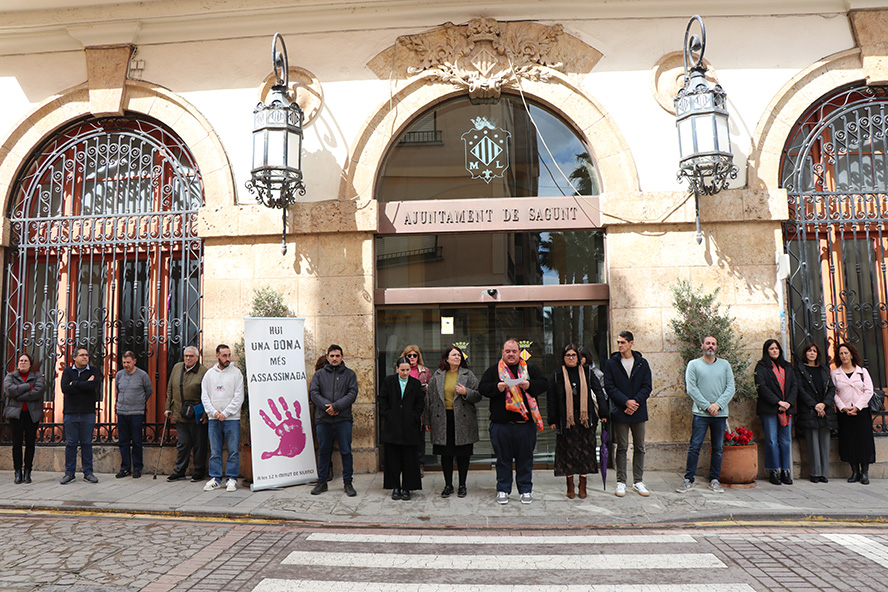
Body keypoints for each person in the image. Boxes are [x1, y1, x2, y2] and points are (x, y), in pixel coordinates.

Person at [479, 338, 547, 505]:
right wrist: (497, 387)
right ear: (502, 352)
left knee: (525, 460)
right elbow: (482, 388)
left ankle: (525, 490)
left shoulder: (529, 368)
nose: (511, 354)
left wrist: (529, 385)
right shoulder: (494, 370)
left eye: (514, 351)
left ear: (519, 353)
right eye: (508, 351)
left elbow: (544, 384)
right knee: (503, 460)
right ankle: (503, 489)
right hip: (501, 426)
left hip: (525, 426)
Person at [547, 344, 609, 499]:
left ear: (578, 358)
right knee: (567, 452)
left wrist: (603, 412)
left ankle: (583, 483)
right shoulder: (557, 375)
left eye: (573, 355)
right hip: (566, 420)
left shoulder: (588, 373)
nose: (571, 358)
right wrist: (552, 419)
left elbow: (599, 392)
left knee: (585, 452)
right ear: (563, 358)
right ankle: (570, 484)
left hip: (585, 420)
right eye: (568, 355)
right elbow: (551, 399)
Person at [676, 335, 735, 494]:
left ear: (717, 347)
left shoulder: (725, 365)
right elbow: (691, 388)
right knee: (694, 447)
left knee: (717, 448)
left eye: (713, 344)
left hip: (719, 414)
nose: (710, 346)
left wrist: (717, 405)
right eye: (708, 343)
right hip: (701, 414)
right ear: (702, 345)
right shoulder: (693, 365)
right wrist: (707, 406)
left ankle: (714, 480)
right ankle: (688, 479)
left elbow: (730, 388)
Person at [426, 345, 480, 498]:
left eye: (459, 355)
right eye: (454, 355)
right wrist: (427, 420)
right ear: (446, 358)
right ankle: (448, 485)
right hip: (442, 419)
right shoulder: (437, 375)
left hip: (463, 419)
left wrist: (466, 392)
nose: (457, 357)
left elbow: (478, 395)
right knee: (446, 454)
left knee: (463, 454)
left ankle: (462, 485)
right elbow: (429, 399)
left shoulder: (468, 374)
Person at [603, 331, 652, 497]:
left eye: (623, 342)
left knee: (640, 447)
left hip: (638, 410)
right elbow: (609, 387)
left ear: (631, 343)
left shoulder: (642, 363)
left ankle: (638, 481)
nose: (619, 345)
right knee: (622, 447)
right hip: (620, 410)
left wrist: (635, 402)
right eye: (618, 342)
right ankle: (621, 482)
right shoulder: (611, 363)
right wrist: (626, 402)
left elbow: (647, 386)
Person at [309, 344, 359, 497]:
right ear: (327, 357)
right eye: (332, 356)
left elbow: (352, 393)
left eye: (337, 356)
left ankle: (348, 483)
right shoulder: (319, 375)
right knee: (324, 451)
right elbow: (314, 392)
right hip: (323, 419)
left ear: (342, 357)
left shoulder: (350, 374)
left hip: (343, 419)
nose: (335, 358)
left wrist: (336, 406)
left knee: (346, 451)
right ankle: (322, 482)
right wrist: (327, 407)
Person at [378, 357, 425, 500]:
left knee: (409, 459)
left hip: (410, 427)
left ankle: (407, 487)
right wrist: (388, 414)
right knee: (393, 459)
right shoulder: (389, 381)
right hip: (392, 426)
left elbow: (420, 402)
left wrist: (414, 415)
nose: (405, 373)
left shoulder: (415, 383)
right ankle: (395, 487)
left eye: (407, 370)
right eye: (402, 370)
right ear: (397, 369)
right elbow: (382, 399)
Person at [200, 344, 244, 492]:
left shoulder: (236, 373)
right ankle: (215, 478)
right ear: (217, 356)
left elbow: (239, 397)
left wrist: (226, 413)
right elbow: (205, 396)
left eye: (229, 355)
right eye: (224, 355)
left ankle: (232, 478)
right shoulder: (209, 374)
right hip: (214, 419)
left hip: (231, 419)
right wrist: (214, 413)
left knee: (233, 450)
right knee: (215, 450)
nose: (227, 358)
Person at [831, 342, 877, 485]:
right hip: (845, 413)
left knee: (864, 441)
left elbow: (869, 390)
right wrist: (843, 407)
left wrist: (857, 407)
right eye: (841, 353)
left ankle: (864, 472)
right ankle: (854, 471)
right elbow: (834, 393)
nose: (844, 356)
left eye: (846, 353)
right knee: (849, 441)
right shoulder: (835, 373)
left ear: (851, 354)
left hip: (861, 412)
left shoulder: (862, 372)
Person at [755, 339, 798, 485]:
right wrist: (778, 402)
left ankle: (785, 470)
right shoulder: (761, 366)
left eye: (777, 348)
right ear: (766, 351)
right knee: (772, 440)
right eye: (771, 348)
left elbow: (794, 386)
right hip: (770, 409)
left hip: (786, 409)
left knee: (785, 441)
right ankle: (774, 471)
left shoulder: (787, 366)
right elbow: (762, 387)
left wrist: (788, 403)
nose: (775, 351)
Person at [165, 346, 209, 482]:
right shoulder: (177, 367)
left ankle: (199, 471)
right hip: (180, 412)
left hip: (196, 414)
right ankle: (179, 471)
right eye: (186, 356)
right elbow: (170, 388)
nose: (188, 358)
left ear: (197, 357)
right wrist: (167, 408)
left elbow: (208, 394)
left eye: (191, 356)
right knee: (183, 444)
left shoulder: (203, 371)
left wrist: (206, 414)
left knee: (199, 444)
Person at [794, 342, 837, 483]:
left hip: (825, 410)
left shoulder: (824, 369)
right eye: (809, 351)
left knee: (825, 442)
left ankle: (824, 473)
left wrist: (824, 404)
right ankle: (815, 473)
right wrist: (815, 405)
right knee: (812, 442)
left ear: (818, 354)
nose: (812, 353)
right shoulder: (800, 369)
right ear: (805, 353)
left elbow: (831, 388)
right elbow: (800, 390)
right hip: (809, 410)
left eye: (814, 351)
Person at [60, 347, 103, 484]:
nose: (85, 357)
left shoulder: (93, 370)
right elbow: (65, 388)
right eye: (82, 355)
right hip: (71, 413)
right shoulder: (67, 371)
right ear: (74, 357)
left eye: (86, 355)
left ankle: (88, 473)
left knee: (87, 444)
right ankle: (69, 473)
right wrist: (85, 384)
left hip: (87, 413)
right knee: (71, 444)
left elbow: (93, 386)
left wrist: (75, 383)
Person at [4, 353, 44, 484]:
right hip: (16, 415)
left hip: (32, 415)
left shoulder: (37, 376)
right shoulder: (10, 376)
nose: (23, 363)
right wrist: (27, 386)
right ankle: (17, 472)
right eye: (21, 360)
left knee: (30, 444)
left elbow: (38, 392)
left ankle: (27, 471)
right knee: (17, 444)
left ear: (30, 364)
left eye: (26, 361)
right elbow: (9, 391)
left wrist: (19, 395)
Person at [114, 351, 153, 479]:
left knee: (136, 441)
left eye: (128, 362)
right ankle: (125, 468)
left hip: (136, 412)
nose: (126, 365)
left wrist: (140, 402)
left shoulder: (142, 375)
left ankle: (137, 468)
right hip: (122, 412)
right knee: (123, 441)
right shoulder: (119, 375)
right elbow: (118, 390)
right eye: (124, 362)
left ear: (134, 361)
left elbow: (149, 391)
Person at [401, 345, 433, 475]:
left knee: (420, 439)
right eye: (409, 355)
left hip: (420, 408)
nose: (412, 358)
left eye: (415, 355)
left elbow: (433, 389)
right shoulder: (401, 370)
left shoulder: (425, 371)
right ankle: (406, 464)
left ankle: (420, 465)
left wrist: (426, 388)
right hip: (404, 408)